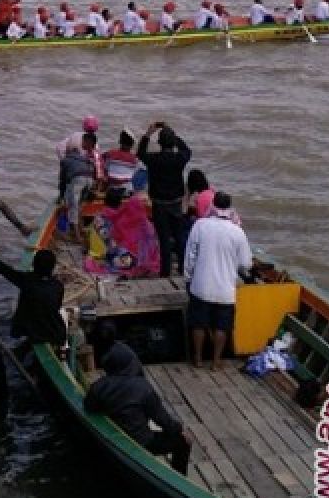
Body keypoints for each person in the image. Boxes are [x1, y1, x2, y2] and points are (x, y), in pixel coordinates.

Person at [83, 323, 191, 474]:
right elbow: (162, 419)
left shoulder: (98, 387)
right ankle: (180, 477)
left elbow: (89, 406)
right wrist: (179, 430)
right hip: (141, 441)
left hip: (113, 437)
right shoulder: (143, 387)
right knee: (183, 443)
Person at [184, 192, 252, 370]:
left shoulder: (200, 225)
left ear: (213, 204)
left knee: (198, 323)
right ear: (230, 207)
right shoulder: (237, 231)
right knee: (222, 326)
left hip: (201, 285)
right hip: (225, 290)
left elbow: (190, 255)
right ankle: (216, 362)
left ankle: (197, 359)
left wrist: (188, 277)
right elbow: (246, 263)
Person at [137, 122, 192, 277]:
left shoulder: (154, 160)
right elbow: (187, 150)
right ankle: (183, 269)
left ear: (159, 143)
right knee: (179, 237)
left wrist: (148, 134)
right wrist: (174, 135)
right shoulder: (179, 159)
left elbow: (140, 153)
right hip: (176, 203)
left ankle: (165, 272)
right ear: (172, 142)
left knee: (164, 239)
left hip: (159, 204)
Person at [0, 248, 66, 346]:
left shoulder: (28, 281)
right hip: (55, 332)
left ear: (34, 264)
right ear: (52, 267)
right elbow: (56, 306)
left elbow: (6, 271)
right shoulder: (58, 286)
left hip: (34, 332)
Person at [60, 133, 99, 242]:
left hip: (80, 180)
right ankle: (80, 228)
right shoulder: (83, 158)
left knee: (73, 206)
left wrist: (61, 196)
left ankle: (77, 236)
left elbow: (62, 181)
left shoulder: (65, 160)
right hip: (89, 180)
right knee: (79, 205)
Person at [103, 130, 139, 195]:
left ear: (120, 141)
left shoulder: (110, 154)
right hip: (127, 189)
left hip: (111, 188)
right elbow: (134, 174)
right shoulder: (135, 159)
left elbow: (105, 170)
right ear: (132, 145)